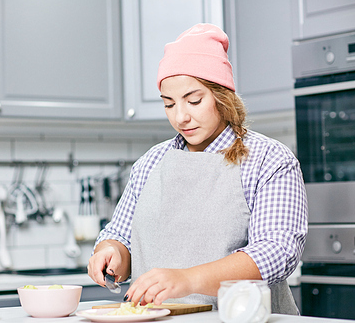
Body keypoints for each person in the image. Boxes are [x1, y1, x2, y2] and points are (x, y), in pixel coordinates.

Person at [87, 23, 308, 314]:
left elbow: (276, 252)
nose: (181, 117)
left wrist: (187, 279)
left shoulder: (269, 159)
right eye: (169, 104)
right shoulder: (151, 162)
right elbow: (121, 235)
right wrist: (111, 252)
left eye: (194, 100)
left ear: (221, 95)